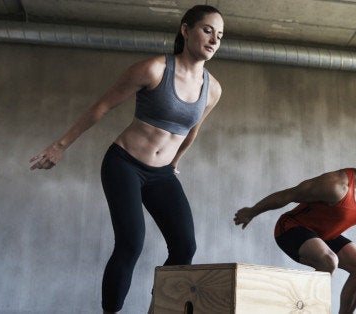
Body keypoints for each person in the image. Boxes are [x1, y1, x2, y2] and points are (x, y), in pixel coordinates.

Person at [29, 5, 224, 313]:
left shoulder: (212, 89)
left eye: (220, 35)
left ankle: (159, 308)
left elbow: (192, 132)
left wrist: (174, 164)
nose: (214, 40)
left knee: (185, 246)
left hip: (161, 175)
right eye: (207, 30)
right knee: (131, 242)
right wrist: (61, 145)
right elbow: (102, 107)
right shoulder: (153, 69)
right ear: (185, 30)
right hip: (125, 165)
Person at [233, 139, 356, 314]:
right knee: (328, 261)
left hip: (326, 235)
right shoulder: (336, 185)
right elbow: (289, 194)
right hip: (291, 228)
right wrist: (252, 211)